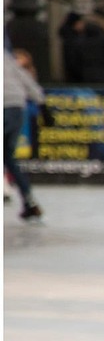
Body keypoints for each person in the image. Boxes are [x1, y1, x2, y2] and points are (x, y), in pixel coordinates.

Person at [4, 46, 46, 222]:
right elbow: (25, 79)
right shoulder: (5, 57)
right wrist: (42, 103)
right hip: (16, 107)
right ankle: (29, 202)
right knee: (8, 157)